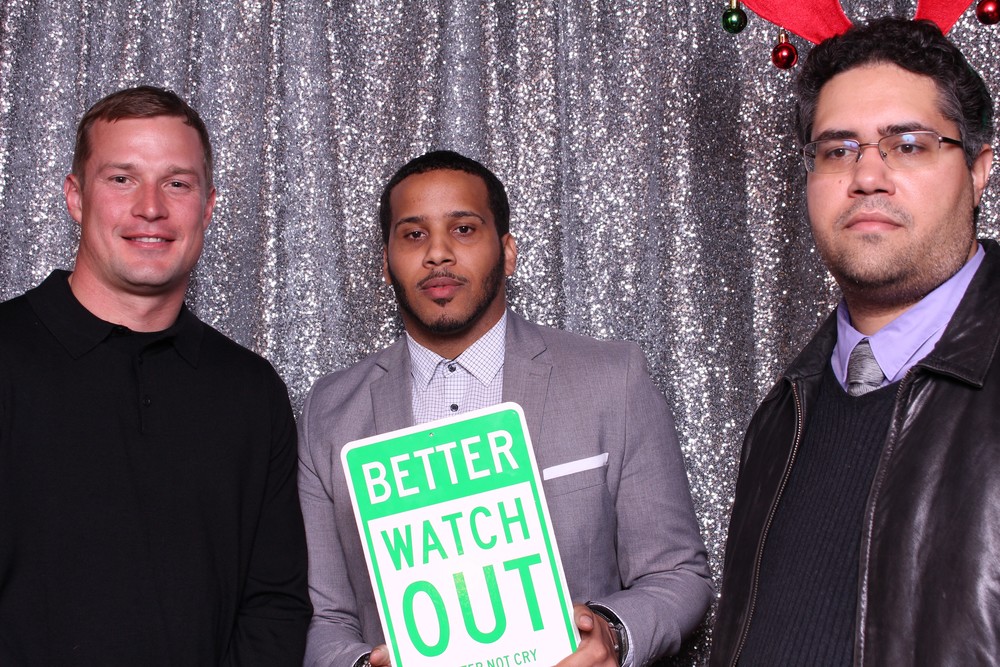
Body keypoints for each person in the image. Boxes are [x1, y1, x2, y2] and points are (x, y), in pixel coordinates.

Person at [298, 150, 713, 667]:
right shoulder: (329, 414)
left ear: (508, 252)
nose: (438, 253)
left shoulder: (612, 380)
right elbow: (323, 617)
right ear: (385, 263)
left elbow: (677, 574)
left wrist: (613, 634)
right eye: (414, 234)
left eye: (464, 229)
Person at [711, 17, 998, 666]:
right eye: (838, 151)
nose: (868, 176)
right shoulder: (781, 418)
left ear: (979, 169)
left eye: (908, 145)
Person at [0, 86, 311, 665]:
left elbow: (273, 606)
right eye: (122, 178)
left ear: (208, 206)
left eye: (177, 183)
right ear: (75, 197)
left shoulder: (251, 391)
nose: (151, 208)